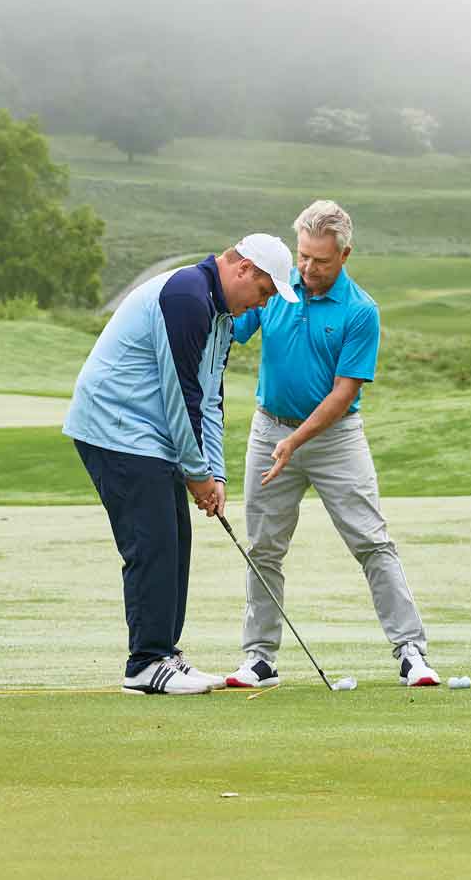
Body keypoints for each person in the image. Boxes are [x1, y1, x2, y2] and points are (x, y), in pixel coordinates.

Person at [63, 235, 297, 695]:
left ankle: (164, 654)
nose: (263, 304)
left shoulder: (222, 316)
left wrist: (215, 474)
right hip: (116, 426)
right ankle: (144, 664)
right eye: (265, 291)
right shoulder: (186, 297)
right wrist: (197, 475)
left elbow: (211, 398)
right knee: (152, 544)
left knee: (175, 541)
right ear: (244, 269)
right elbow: (180, 394)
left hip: (149, 434)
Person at [224, 201, 441, 689]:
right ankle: (259, 659)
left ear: (345, 255)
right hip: (268, 429)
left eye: (320, 261)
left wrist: (295, 442)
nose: (307, 269)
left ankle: (411, 652)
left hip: (334, 439)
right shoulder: (278, 290)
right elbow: (231, 324)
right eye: (303, 256)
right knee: (263, 548)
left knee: (371, 541)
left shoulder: (361, 310)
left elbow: (345, 393)